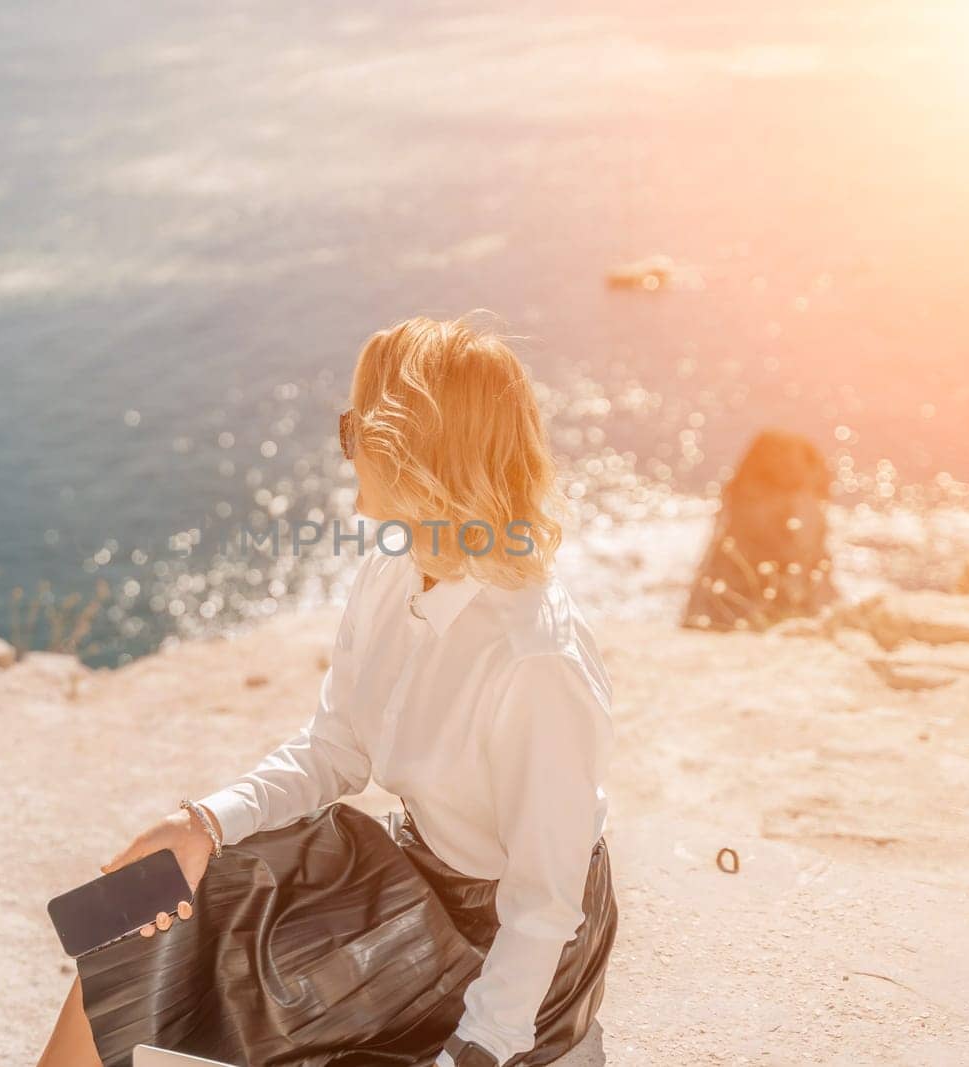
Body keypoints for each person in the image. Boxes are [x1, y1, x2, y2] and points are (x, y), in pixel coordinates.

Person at [37, 313, 617, 1067]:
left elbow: (544, 907)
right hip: (418, 876)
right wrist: (201, 822)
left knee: (239, 955)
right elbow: (335, 748)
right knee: (159, 889)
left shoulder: (534, 661)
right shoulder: (391, 571)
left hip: (515, 947)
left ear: (405, 449)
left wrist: (477, 1050)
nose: (343, 447)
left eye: (354, 428)